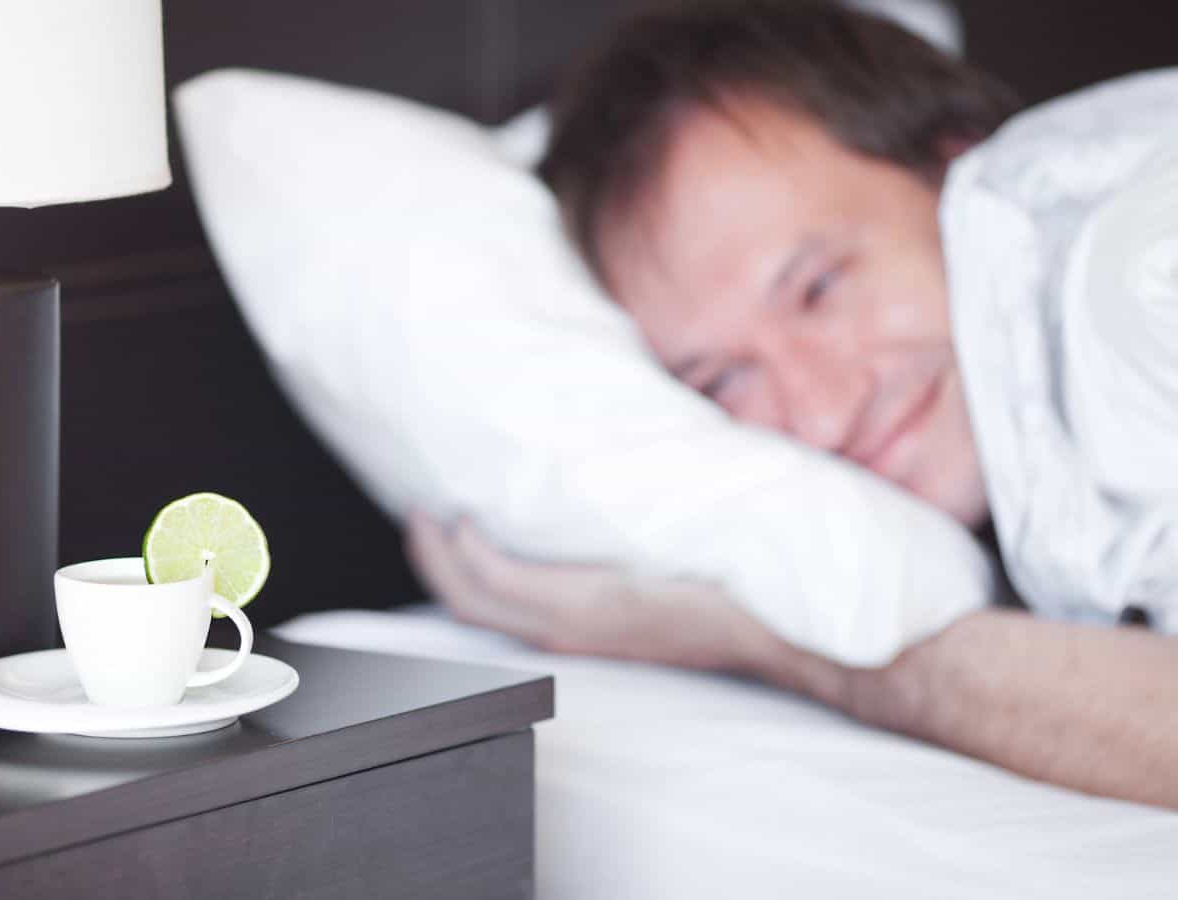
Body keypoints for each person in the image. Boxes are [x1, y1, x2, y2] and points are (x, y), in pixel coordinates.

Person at [405, 0, 1178, 809]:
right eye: (723, 379)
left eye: (818, 287)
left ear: (956, 157)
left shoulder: (1138, 271)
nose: (818, 415)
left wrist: (766, 641)